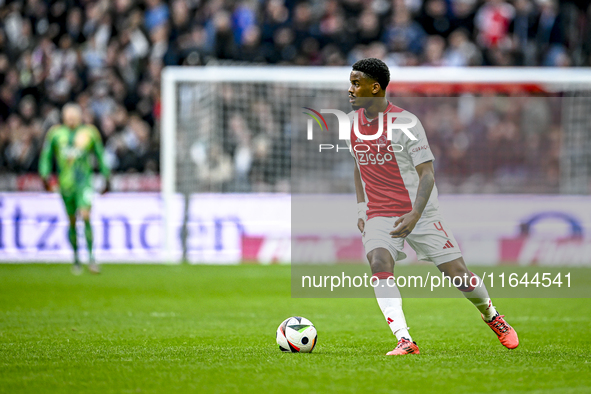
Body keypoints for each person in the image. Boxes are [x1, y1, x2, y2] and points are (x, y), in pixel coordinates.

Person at [347, 58, 518, 355]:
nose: (350, 89)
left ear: (375, 88)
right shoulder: (352, 124)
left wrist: (415, 214)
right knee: (378, 262)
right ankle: (404, 339)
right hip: (379, 214)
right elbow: (358, 166)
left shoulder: (406, 123)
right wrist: (362, 209)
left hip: (420, 212)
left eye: (355, 83)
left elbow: (427, 174)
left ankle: (492, 315)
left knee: (458, 274)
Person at [39, 103, 110, 275]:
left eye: (73, 115)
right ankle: (76, 259)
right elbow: (46, 157)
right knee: (72, 220)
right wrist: (45, 176)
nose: (70, 118)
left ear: (80, 116)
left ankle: (92, 258)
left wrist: (106, 176)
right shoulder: (55, 134)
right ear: (63, 117)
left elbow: (100, 155)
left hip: (84, 182)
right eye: (67, 115)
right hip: (66, 184)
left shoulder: (89, 133)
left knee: (85, 215)